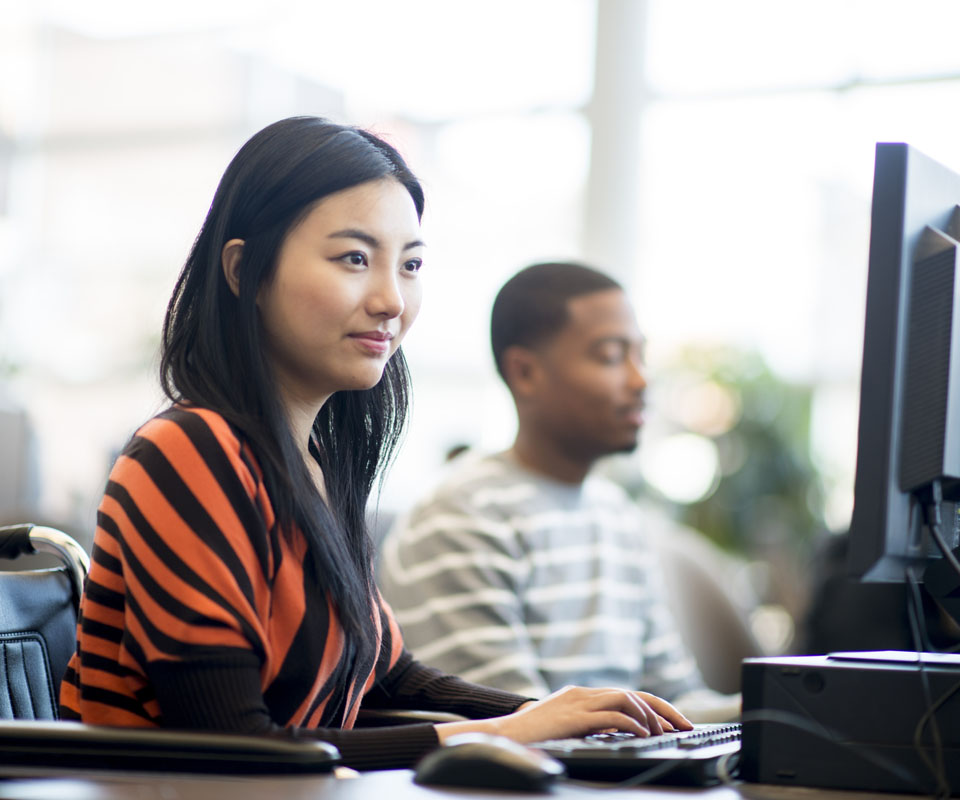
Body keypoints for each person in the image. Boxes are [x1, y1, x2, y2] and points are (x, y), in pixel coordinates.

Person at [59, 119, 691, 771]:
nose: (392, 300)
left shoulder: (316, 467)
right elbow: (235, 747)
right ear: (245, 270)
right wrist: (507, 731)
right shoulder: (187, 454)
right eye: (354, 258)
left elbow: (394, 676)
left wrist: (563, 716)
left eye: (410, 265)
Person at [379, 262, 737, 719]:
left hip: (614, 774)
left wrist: (779, 710)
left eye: (640, 356)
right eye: (611, 356)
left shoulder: (618, 515)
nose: (640, 380)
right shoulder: (462, 516)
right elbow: (518, 725)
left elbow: (675, 705)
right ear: (525, 372)